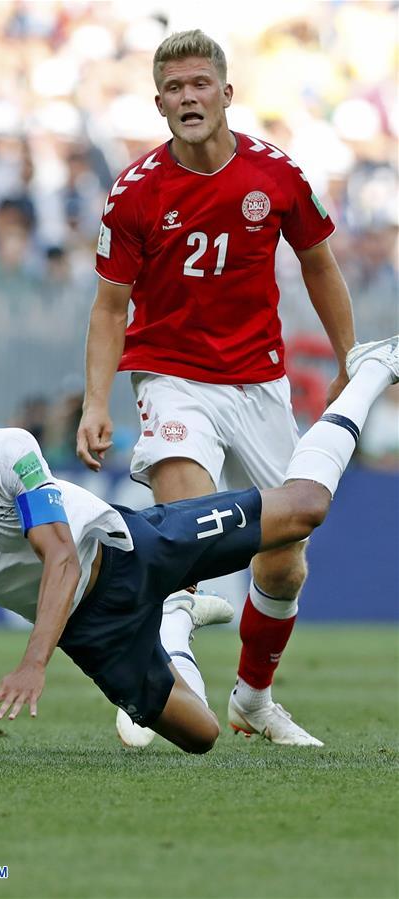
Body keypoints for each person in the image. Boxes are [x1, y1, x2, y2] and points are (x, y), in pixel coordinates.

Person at [0, 336, 397, 763]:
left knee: (304, 508)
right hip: (92, 633)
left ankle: (372, 370)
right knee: (201, 736)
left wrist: (33, 662)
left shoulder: (7, 450)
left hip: (131, 546)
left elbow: (62, 557)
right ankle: (174, 620)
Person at [76, 29, 356, 748]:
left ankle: (254, 699)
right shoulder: (134, 193)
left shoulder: (274, 175)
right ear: (159, 101)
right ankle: (159, 682)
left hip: (258, 381)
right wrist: (95, 403)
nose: (187, 98)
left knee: (286, 559)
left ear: (225, 93)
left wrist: (349, 355)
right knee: (188, 522)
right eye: (173, 88)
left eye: (198, 84)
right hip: (171, 375)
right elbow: (110, 308)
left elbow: (320, 266)